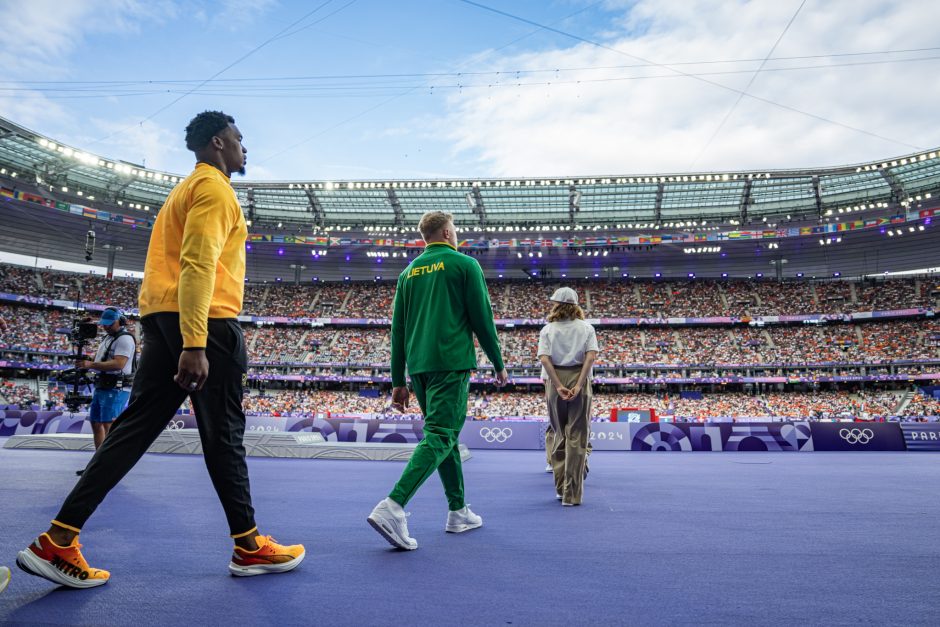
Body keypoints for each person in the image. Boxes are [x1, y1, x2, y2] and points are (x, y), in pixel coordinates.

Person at [17, 111, 303, 589]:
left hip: (162, 317)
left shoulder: (183, 189)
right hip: (205, 324)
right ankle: (250, 547)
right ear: (217, 143)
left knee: (133, 429)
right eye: (238, 139)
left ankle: (58, 540)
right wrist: (195, 343)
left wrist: (176, 332)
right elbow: (198, 264)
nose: (244, 148)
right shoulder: (215, 190)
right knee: (224, 433)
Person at [368, 210, 508, 550]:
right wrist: (498, 362)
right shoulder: (465, 265)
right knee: (442, 434)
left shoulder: (408, 273)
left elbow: (397, 330)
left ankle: (458, 511)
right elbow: (482, 318)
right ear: (447, 232)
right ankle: (393, 505)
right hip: (450, 361)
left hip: (418, 368)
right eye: (455, 230)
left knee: (445, 437)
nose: (456, 235)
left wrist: (397, 380)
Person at [538, 287, 598, 506]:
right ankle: (571, 495)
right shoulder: (587, 328)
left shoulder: (547, 329)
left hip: (555, 380)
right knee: (577, 438)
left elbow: (545, 360)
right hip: (580, 376)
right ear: (576, 305)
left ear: (556, 304)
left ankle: (560, 487)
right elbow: (590, 358)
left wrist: (558, 385)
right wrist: (579, 384)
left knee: (559, 434)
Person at [74, 307, 136, 475]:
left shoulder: (124, 339)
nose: (106, 327)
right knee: (95, 423)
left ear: (120, 321)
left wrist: (90, 365)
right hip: (104, 385)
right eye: (104, 324)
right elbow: (101, 360)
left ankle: (111, 466)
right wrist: (89, 361)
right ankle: (99, 464)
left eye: (110, 324)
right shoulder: (108, 338)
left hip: (117, 387)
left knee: (109, 424)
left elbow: (119, 364)